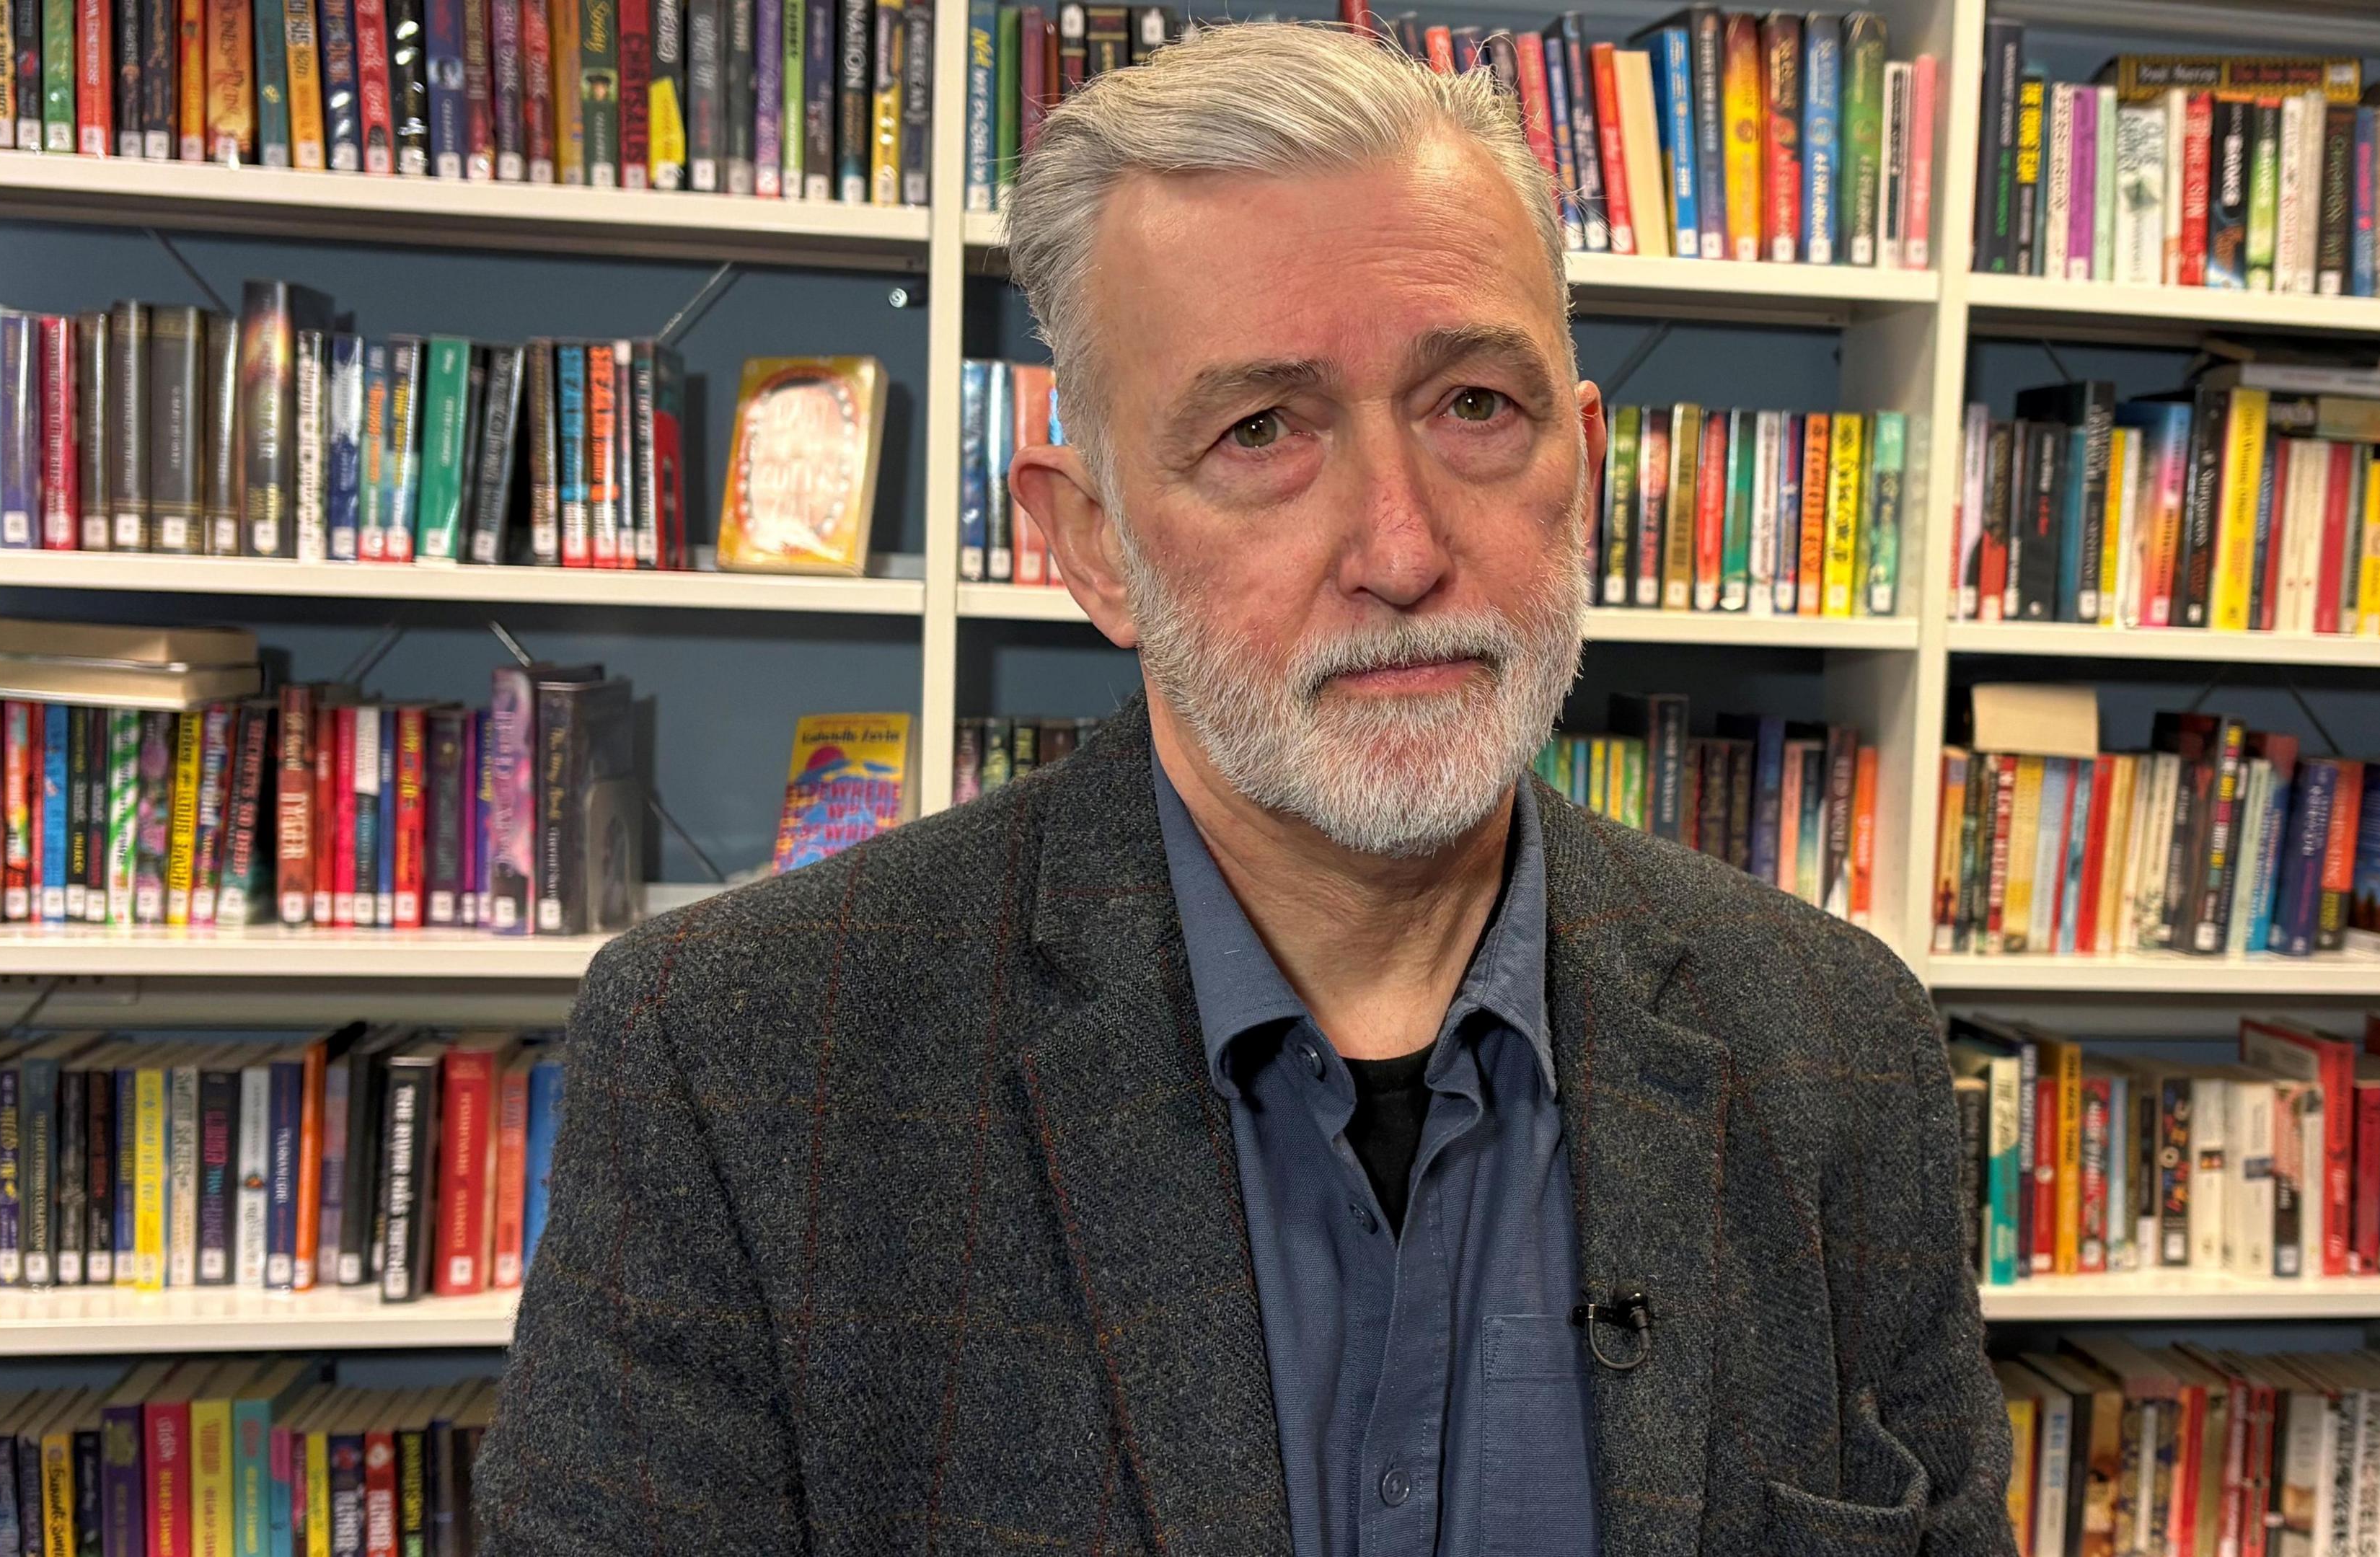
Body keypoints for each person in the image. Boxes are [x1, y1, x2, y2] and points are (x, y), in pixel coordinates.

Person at [473, 22, 2013, 1556]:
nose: (1403, 552)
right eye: (1262, 432)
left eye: (1476, 405)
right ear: (1091, 543)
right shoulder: (738, 1065)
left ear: (1585, 464)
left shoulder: (1838, 1046)